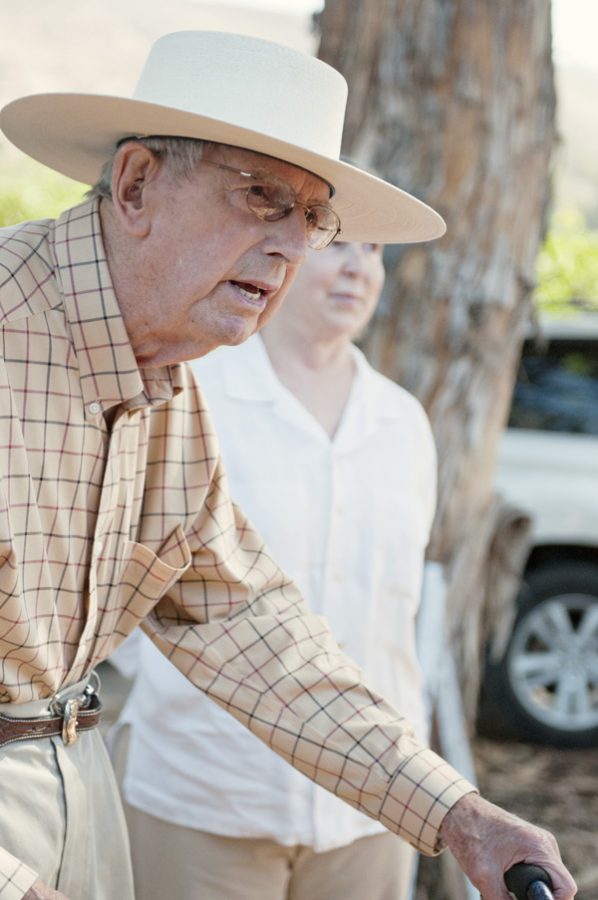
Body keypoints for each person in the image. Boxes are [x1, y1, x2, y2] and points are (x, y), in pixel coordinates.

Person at [0, 29, 576, 900]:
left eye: (314, 218)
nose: (293, 248)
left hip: (75, 781)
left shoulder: (170, 394)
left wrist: (457, 813)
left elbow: (249, 627)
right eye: (261, 197)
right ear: (137, 185)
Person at [109, 239, 435, 900]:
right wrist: (178, 701)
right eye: (336, 244)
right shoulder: (198, 398)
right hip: (205, 794)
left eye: (373, 251)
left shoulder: (403, 421)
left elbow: (404, 611)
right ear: (277, 258)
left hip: (372, 809)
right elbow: (133, 579)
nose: (357, 267)